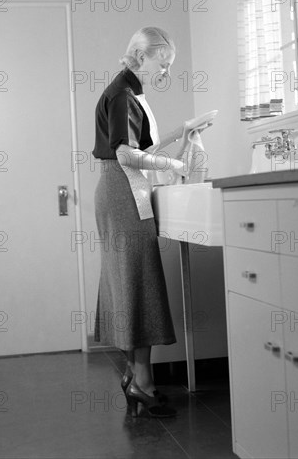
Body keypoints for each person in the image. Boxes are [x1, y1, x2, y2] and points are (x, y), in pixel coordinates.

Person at [92, 26, 192, 418]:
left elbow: (140, 147)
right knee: (139, 279)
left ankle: (138, 375)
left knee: (132, 280)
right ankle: (142, 381)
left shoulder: (128, 91)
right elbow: (125, 155)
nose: (165, 71)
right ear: (140, 55)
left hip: (122, 189)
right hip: (122, 191)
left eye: (168, 65)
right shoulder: (121, 93)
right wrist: (175, 164)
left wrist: (179, 133)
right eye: (162, 63)